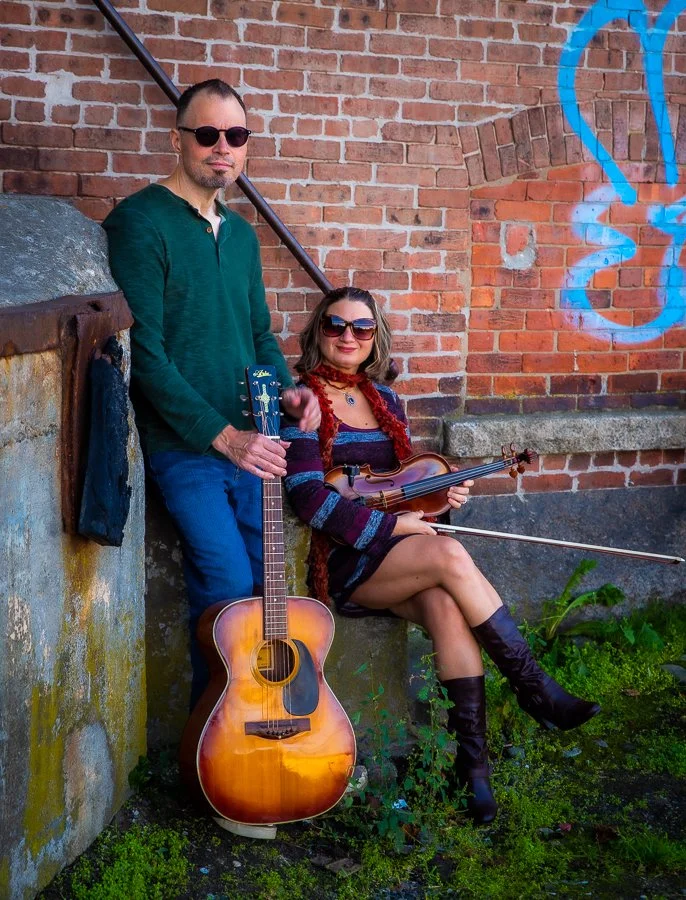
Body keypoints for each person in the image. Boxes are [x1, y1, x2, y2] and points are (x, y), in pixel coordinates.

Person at [283, 286, 600, 825]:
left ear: (374, 337)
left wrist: (441, 500)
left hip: (401, 553)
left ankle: (471, 771)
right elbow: (310, 498)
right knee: (450, 557)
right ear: (317, 331)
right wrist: (394, 524)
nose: (348, 337)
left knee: (447, 603)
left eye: (361, 328)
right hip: (344, 564)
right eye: (336, 326)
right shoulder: (302, 401)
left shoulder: (387, 401)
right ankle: (536, 689)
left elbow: (407, 492)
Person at [102, 79, 320, 702]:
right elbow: (145, 357)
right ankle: (217, 731)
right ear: (179, 140)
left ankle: (273, 729)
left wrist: (289, 393)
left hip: (257, 440)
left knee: (266, 588)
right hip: (188, 447)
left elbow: (257, 335)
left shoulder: (242, 234)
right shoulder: (141, 223)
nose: (222, 148)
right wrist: (225, 439)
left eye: (236, 136)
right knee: (225, 587)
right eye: (207, 134)